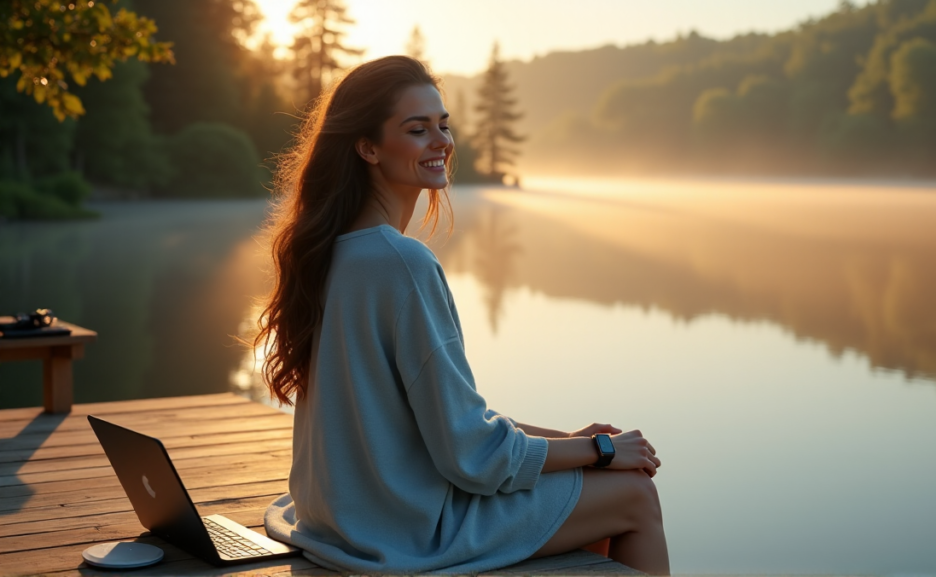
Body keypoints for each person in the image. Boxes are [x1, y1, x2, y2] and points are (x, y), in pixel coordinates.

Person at [257, 56, 669, 574]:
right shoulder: (402, 264)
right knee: (632, 493)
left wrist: (572, 442)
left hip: (336, 519)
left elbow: (446, 419)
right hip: (404, 530)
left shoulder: (327, 252)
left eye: (443, 125)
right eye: (417, 129)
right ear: (368, 148)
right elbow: (470, 454)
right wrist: (601, 450)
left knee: (592, 495)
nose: (442, 142)